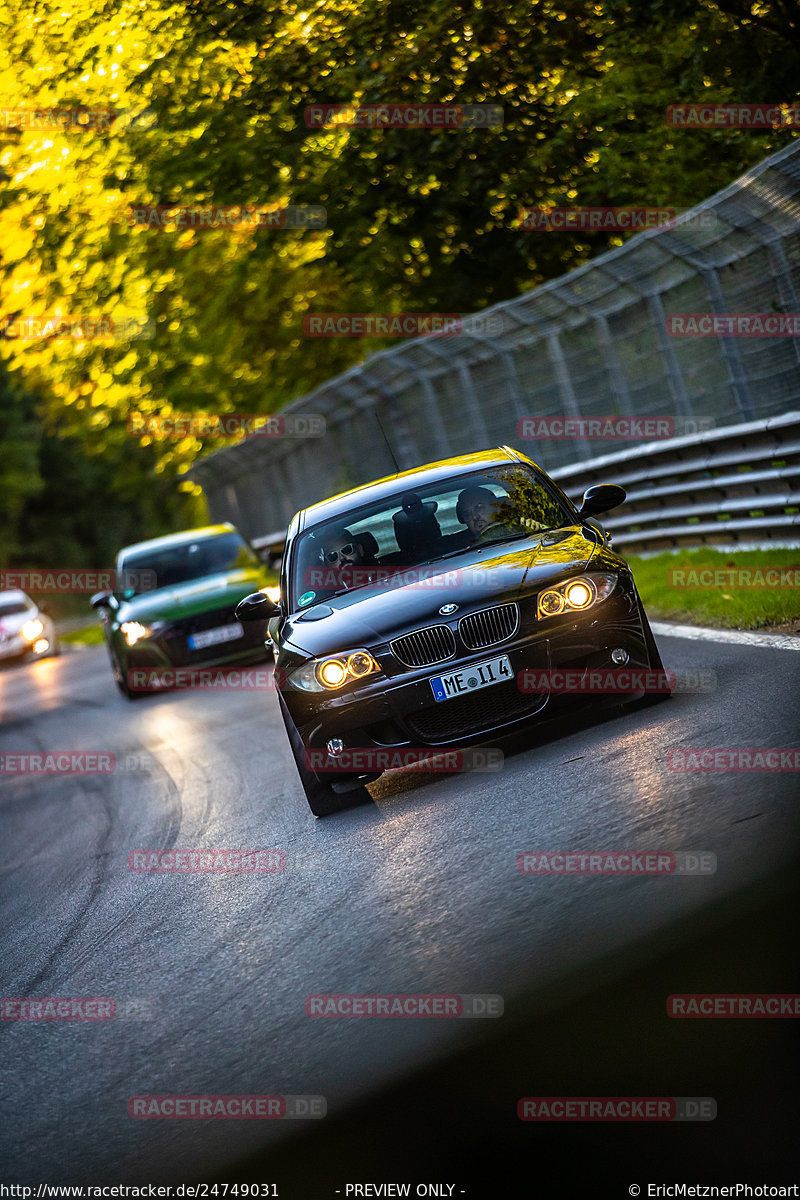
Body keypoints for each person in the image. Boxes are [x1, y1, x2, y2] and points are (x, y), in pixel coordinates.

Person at [457, 486, 525, 542]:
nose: (474, 516)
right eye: (467, 514)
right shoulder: (461, 549)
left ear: (496, 507)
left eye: (479, 507)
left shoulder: (524, 529)